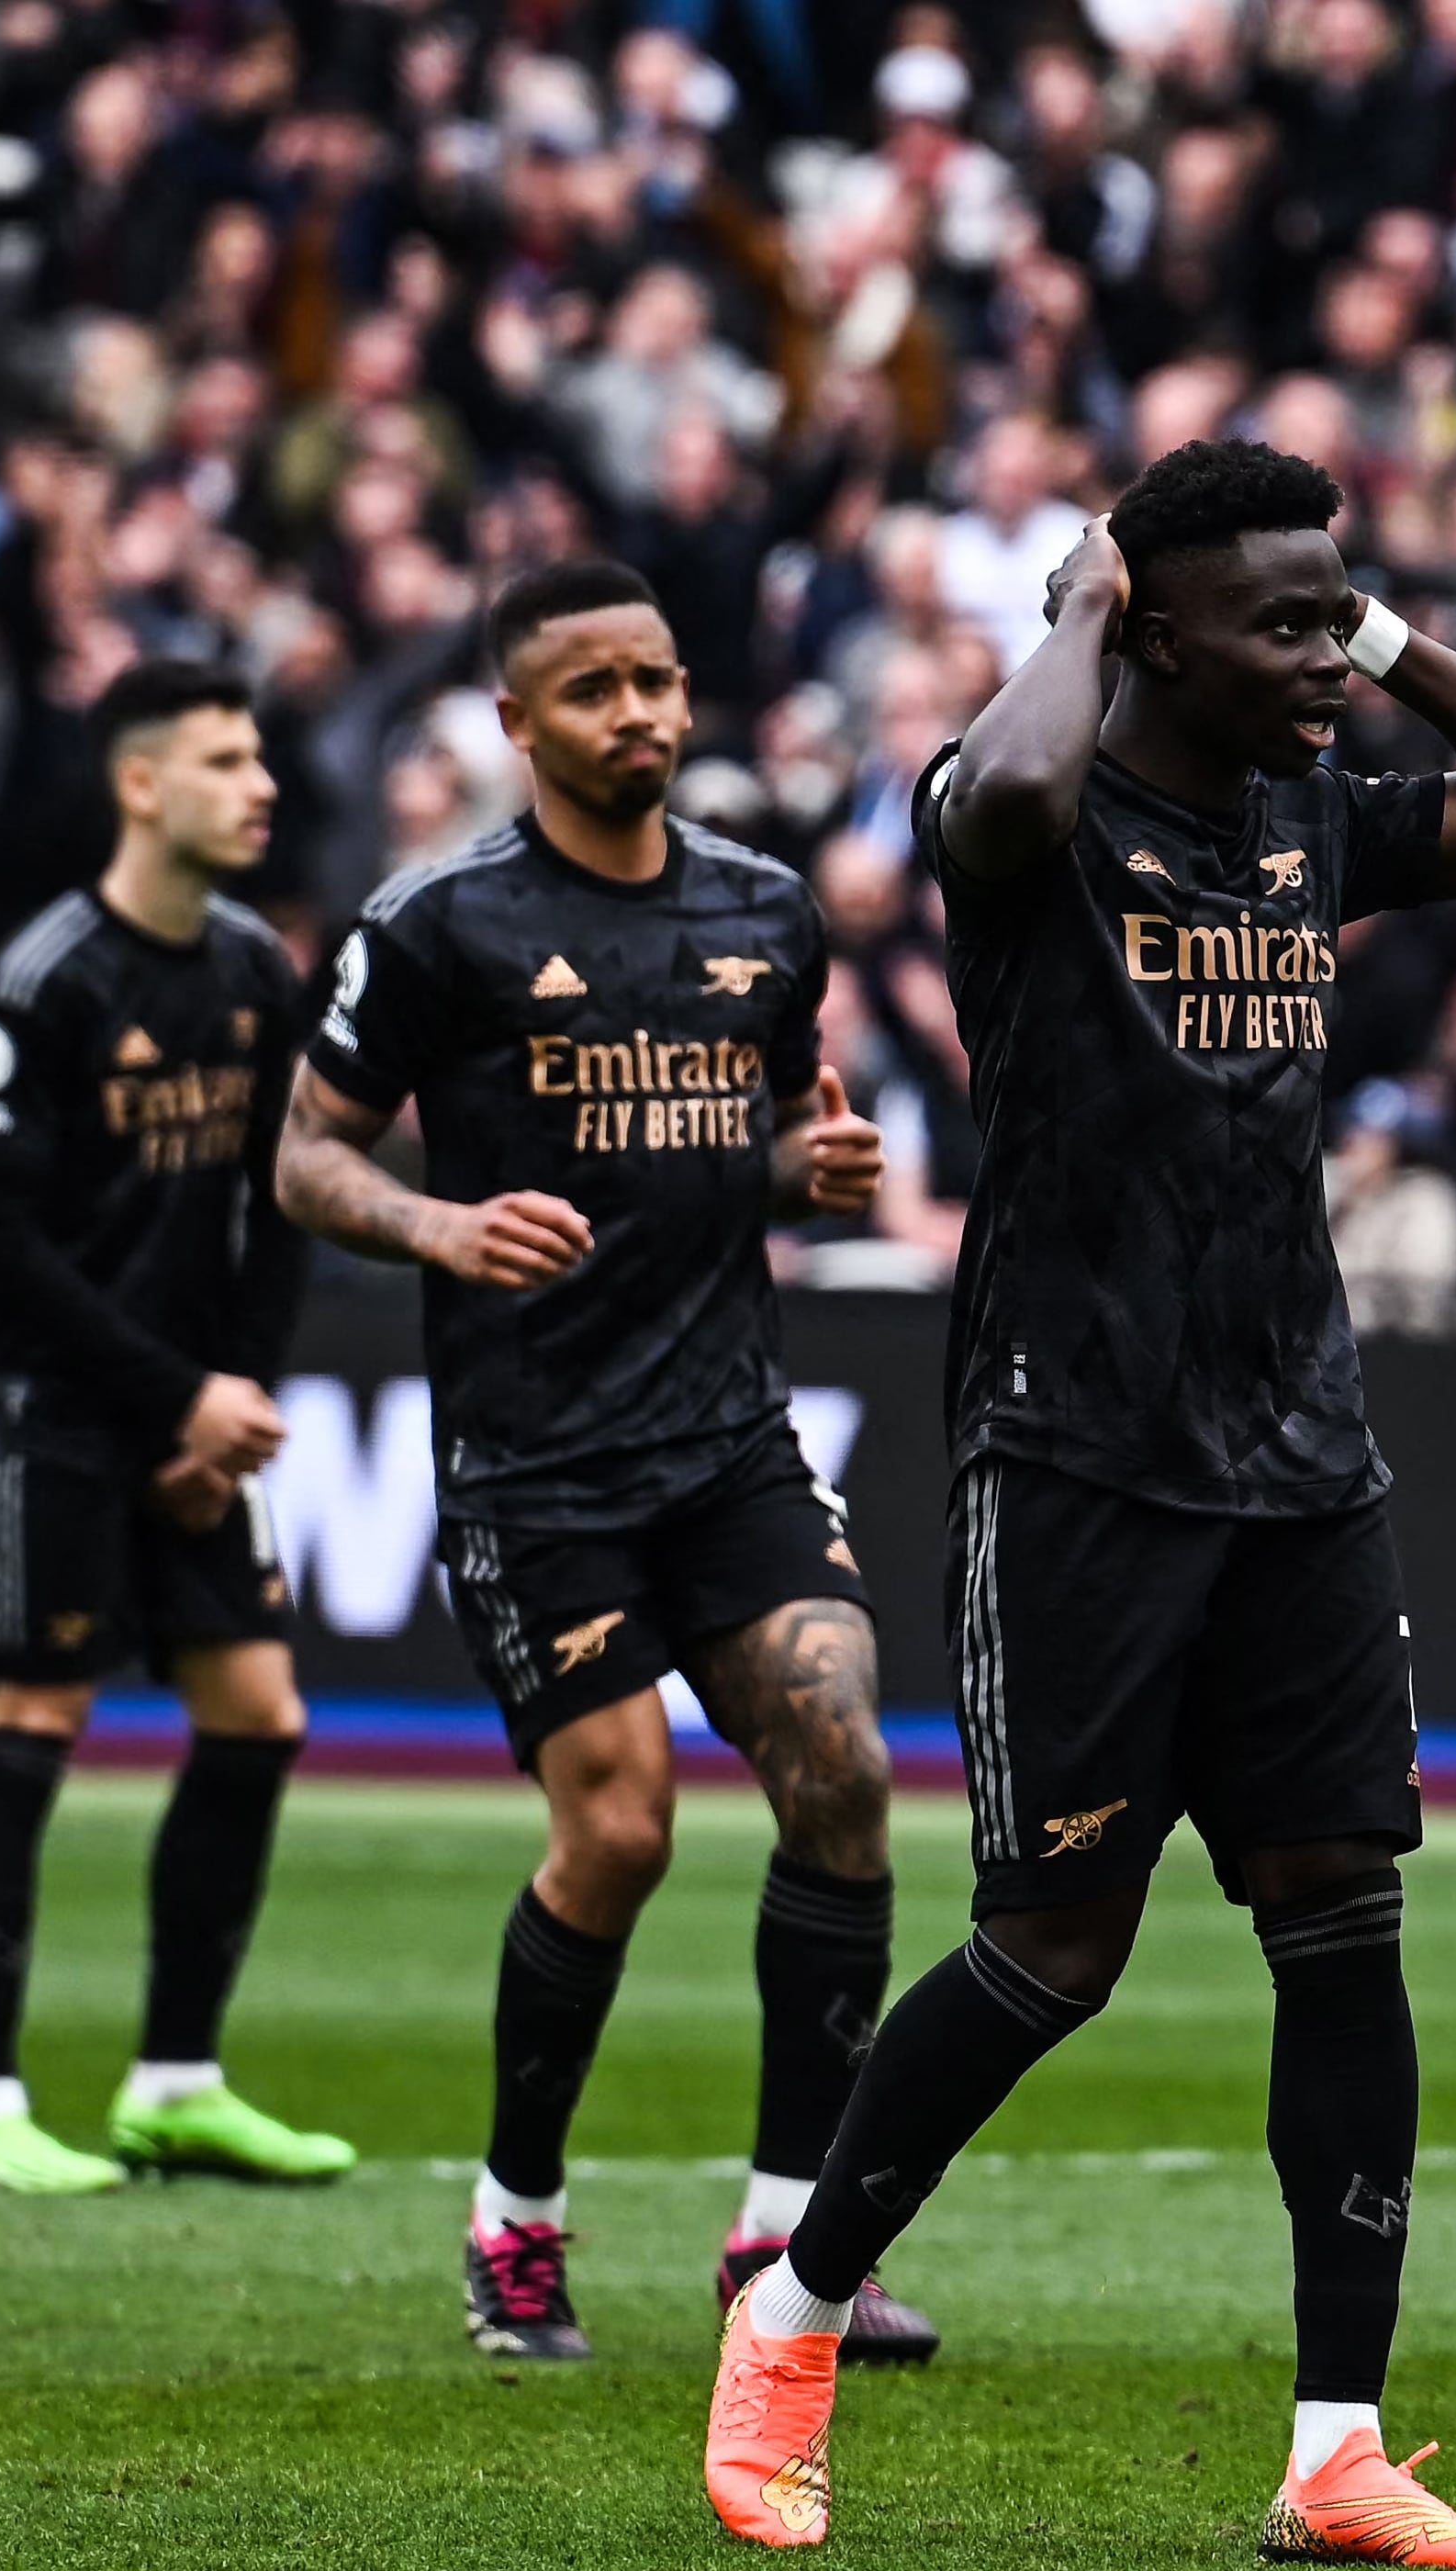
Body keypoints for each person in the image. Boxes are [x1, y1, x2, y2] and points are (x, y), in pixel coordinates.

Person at [699, 439, 1456, 2562]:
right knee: (1053, 1949)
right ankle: (798, 2312)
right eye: (1287, 622)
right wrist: (1073, 609)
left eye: (1343, 614)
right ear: (1155, 626)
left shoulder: (1316, 805)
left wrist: (1381, 638)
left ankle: (1337, 2450)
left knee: (1344, 1925)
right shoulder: (1029, 804)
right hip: (1079, 1449)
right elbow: (1013, 799)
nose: (1327, 655)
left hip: (1300, 1450)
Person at [274, 564, 931, 2366]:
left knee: (844, 1771)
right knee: (621, 1827)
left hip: (728, 1438)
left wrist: (822, 1175)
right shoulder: (438, 923)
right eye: (592, 691)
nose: (637, 714)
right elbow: (304, 1159)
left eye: (656, 681)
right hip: (533, 1461)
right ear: (515, 723)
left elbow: (771, 1144)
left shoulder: (769, 912)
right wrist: (434, 1221)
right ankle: (517, 2223)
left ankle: (789, 2250)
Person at [0, 662, 344, 2194]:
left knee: (259, 1716)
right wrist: (178, 1398)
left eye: (262, 760)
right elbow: (9, 1244)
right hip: (60, 1406)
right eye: (229, 761)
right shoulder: (46, 978)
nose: (263, 786)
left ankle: (176, 2078)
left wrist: (229, 1399)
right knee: (35, 1714)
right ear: (141, 782)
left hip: (195, 1414)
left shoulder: (251, 962)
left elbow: (283, 1196)